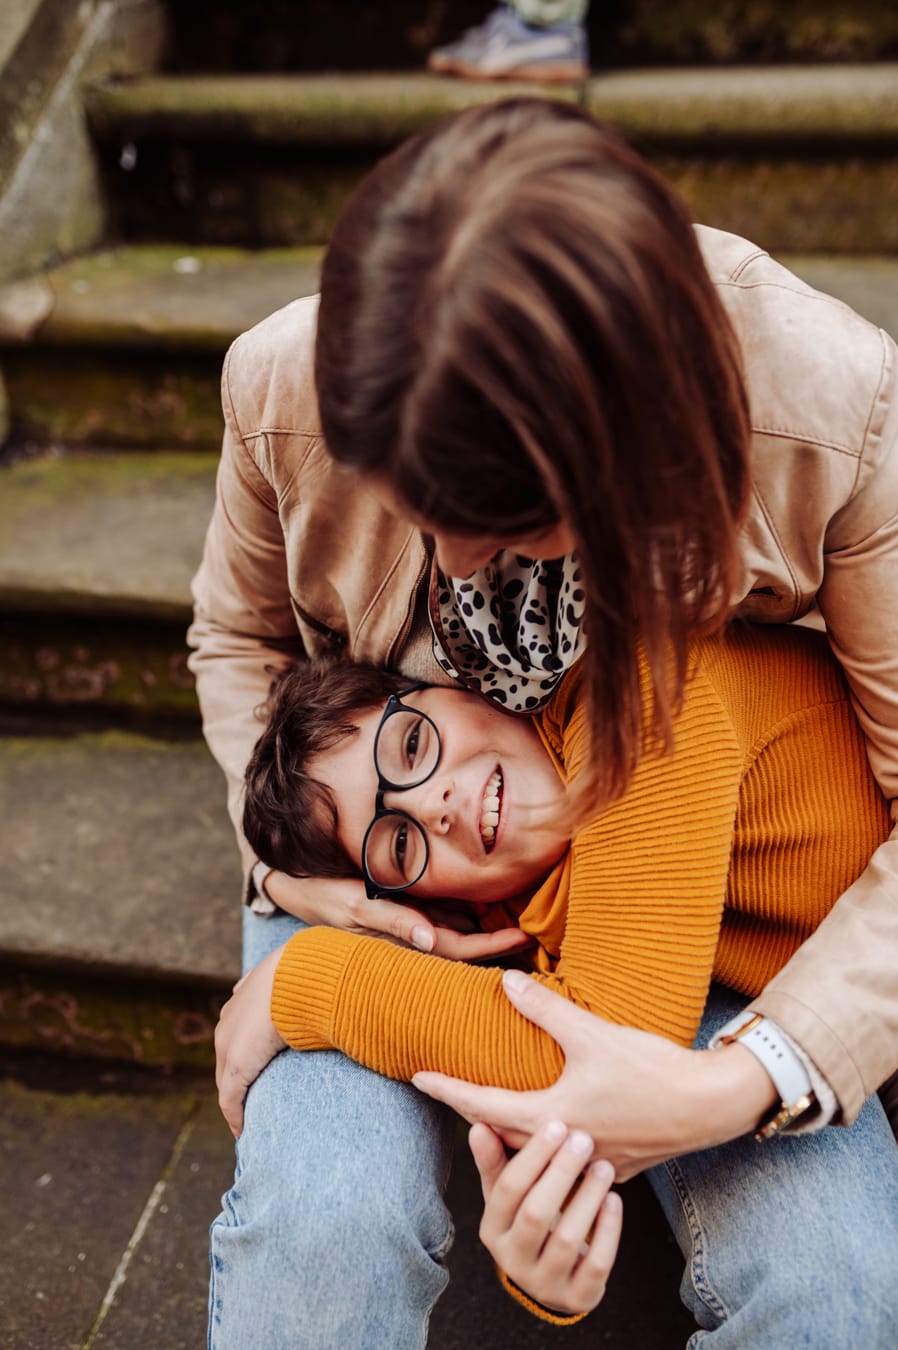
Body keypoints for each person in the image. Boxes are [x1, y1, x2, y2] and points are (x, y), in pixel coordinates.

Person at [192, 99, 898, 1347]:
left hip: (690, 911)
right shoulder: (281, 382)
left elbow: (601, 1046)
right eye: (419, 505)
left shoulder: (832, 415)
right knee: (320, 1222)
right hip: (375, 870)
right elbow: (237, 641)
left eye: (511, 526)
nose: (460, 562)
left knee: (830, 1279)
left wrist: (735, 1081)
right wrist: (300, 882)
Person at [225, 623, 895, 1318]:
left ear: (455, 690)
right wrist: (540, 1271)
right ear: (427, 900)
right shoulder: (514, 908)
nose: (432, 806)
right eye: (399, 842)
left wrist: (306, 978)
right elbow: (573, 1113)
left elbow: (584, 1049)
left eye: (413, 744)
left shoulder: (637, 693)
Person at [427, 4, 589, 83]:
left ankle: (525, 32)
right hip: (568, 30)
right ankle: (561, 38)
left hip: (531, 25)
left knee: (440, 59)